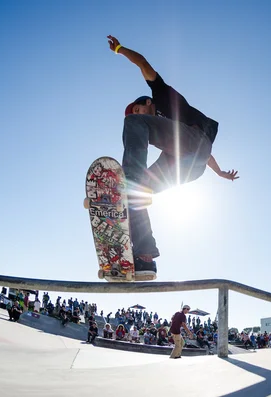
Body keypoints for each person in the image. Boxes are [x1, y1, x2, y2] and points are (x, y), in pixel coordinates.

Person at [106, 35, 240, 281]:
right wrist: (219, 173)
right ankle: (145, 256)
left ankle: (131, 177)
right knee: (137, 193)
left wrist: (120, 49)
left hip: (193, 142)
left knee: (134, 126)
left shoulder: (161, 95)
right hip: (191, 163)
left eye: (138, 109)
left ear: (146, 103)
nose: (138, 114)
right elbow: (205, 155)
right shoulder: (166, 134)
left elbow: (143, 64)